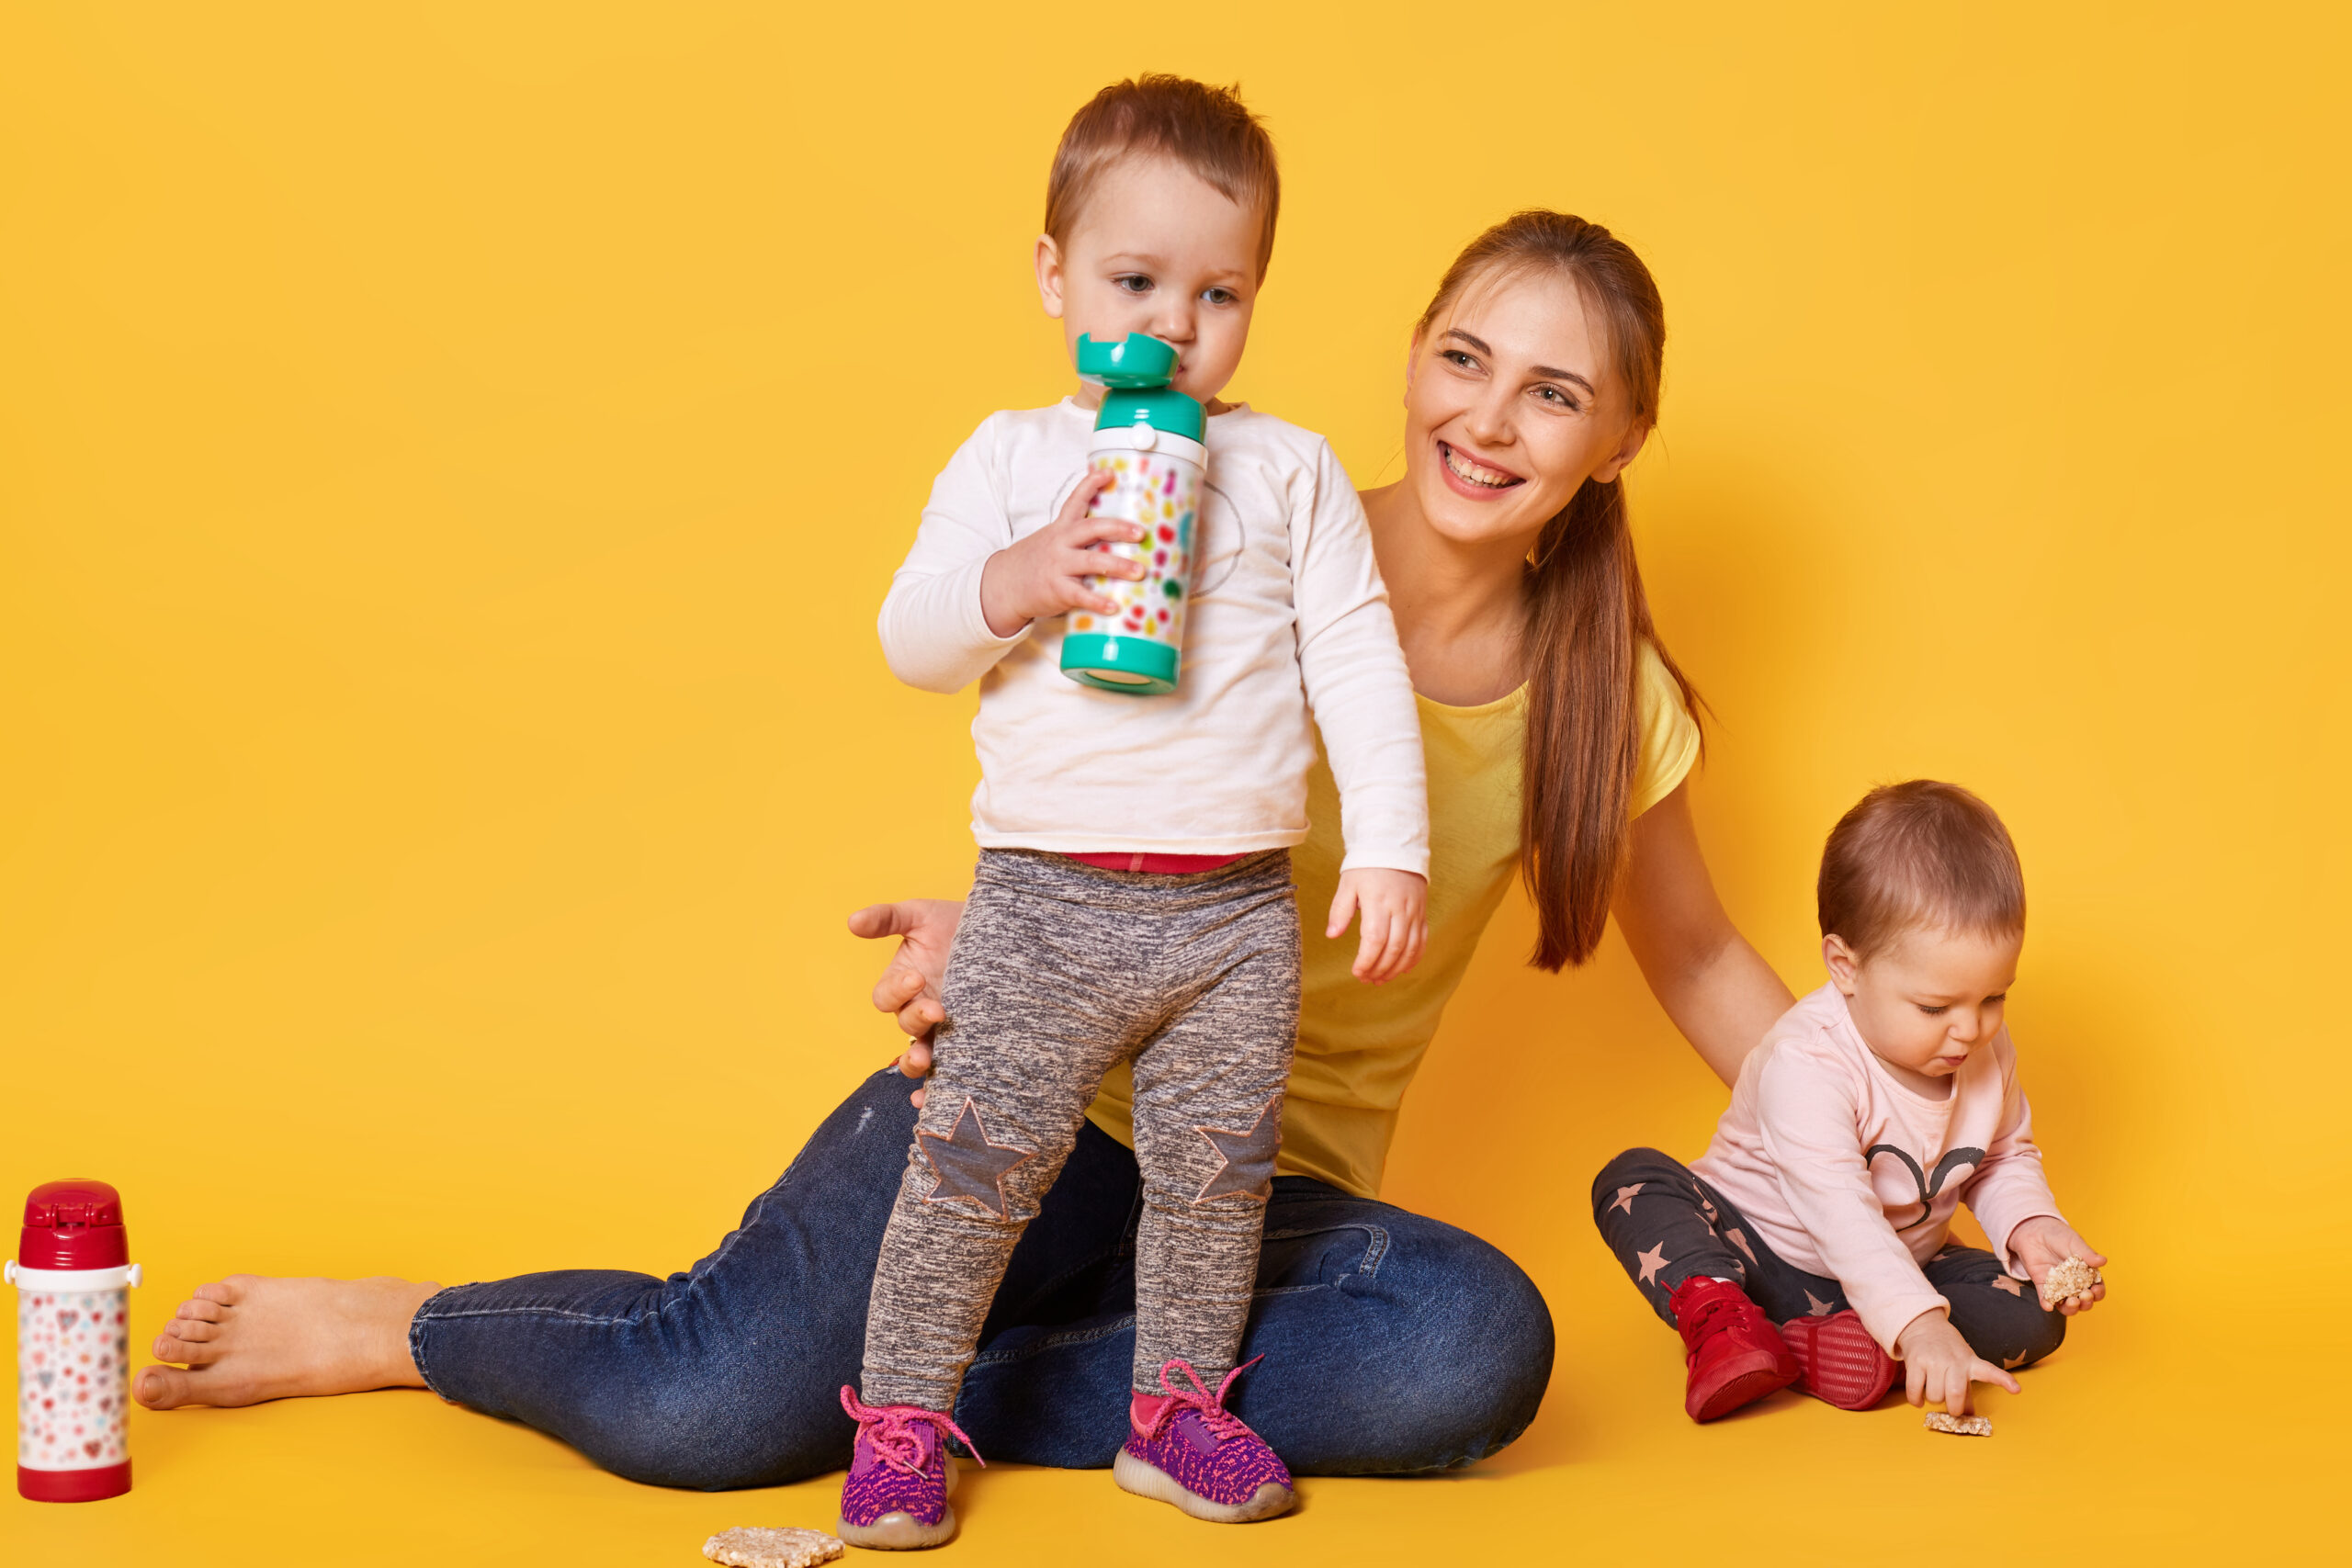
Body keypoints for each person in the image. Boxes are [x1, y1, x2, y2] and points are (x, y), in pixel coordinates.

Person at [134, 201, 1796, 1491]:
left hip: (1265, 1196)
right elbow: (1075, 762)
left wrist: (1884, 1150)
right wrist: (995, 929)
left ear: (1618, 439)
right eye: (1464, 358)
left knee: (1469, 1347)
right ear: (1414, 354)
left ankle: (921, 1389)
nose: (1489, 419)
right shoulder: (1228, 520)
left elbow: (1704, 954)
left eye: (1552, 392)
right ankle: (403, 1327)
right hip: (1054, 1093)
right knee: (703, 1402)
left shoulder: (1607, 700)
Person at [842, 76, 1428, 1549]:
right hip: (1045, 898)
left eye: (1216, 292)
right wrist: (1022, 576)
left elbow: (1358, 652)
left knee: (1217, 1177)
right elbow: (912, 634)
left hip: (1233, 914)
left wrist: (1391, 841)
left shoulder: (1286, 471)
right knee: (972, 1164)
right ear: (1055, 276)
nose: (1172, 321)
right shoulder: (1013, 457)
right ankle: (904, 1414)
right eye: (1133, 280)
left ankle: (1174, 1414)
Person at [1590, 781, 2109, 1424]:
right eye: (1934, 1006)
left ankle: (1816, 1348)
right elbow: (1839, 1211)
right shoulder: (1807, 1064)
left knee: (2034, 1315)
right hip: (1762, 1253)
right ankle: (1722, 1314)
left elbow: (2001, 1156)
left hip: (1891, 1263)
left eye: (1994, 997)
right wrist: (1920, 1322)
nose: (1970, 1029)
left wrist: (2031, 1223)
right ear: (1845, 966)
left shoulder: (1983, 1050)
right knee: (1633, 1182)